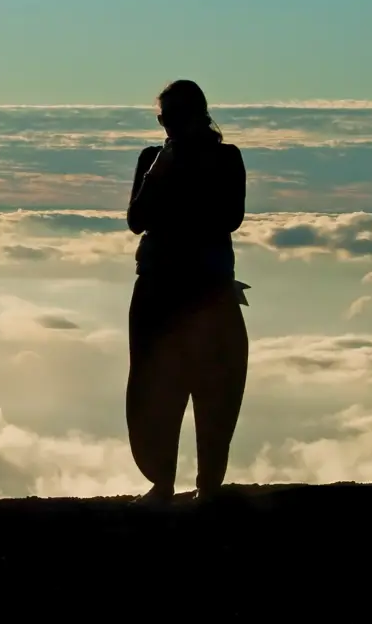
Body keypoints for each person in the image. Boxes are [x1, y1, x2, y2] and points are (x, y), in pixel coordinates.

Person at [124, 79, 249, 504]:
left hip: (205, 286)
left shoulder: (226, 158)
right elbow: (136, 219)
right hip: (162, 284)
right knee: (155, 386)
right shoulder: (152, 159)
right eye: (162, 119)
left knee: (216, 388)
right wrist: (159, 174)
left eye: (173, 118)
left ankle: (207, 485)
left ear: (198, 115)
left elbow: (230, 217)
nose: (167, 127)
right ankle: (162, 482)